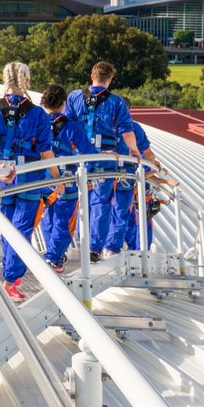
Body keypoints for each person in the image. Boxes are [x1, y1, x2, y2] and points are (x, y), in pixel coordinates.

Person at [0, 61, 60, 301]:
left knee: (7, 226)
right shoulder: (37, 115)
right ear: (27, 81)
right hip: (29, 176)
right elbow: (45, 152)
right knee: (22, 228)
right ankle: (11, 280)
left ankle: (9, 276)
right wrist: (57, 179)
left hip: (3, 175)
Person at [65, 61, 141, 262]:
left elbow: (65, 123)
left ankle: (74, 243)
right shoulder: (116, 103)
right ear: (110, 79)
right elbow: (126, 131)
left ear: (92, 76)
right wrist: (134, 151)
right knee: (101, 202)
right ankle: (94, 247)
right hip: (104, 158)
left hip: (80, 156)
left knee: (79, 197)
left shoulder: (74, 97)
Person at [37, 83, 98, 274]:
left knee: (47, 219)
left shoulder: (37, 123)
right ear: (64, 103)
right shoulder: (72, 127)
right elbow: (88, 153)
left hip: (43, 180)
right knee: (63, 221)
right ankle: (53, 258)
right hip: (67, 180)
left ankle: (53, 254)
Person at [120, 122, 164, 251]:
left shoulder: (141, 157)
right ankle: (137, 249)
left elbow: (145, 175)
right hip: (133, 199)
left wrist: (160, 177)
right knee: (133, 225)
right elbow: (144, 175)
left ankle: (139, 249)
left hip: (140, 200)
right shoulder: (135, 157)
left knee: (139, 226)